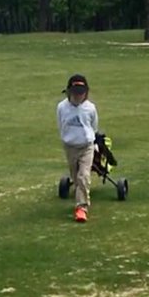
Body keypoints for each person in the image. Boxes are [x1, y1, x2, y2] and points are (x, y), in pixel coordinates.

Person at [56, 73, 97, 223]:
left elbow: (93, 126)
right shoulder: (62, 107)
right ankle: (81, 194)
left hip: (86, 146)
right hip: (70, 147)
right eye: (75, 93)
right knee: (75, 176)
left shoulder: (90, 108)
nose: (78, 96)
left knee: (83, 176)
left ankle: (82, 207)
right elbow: (61, 125)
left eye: (81, 93)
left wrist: (92, 141)